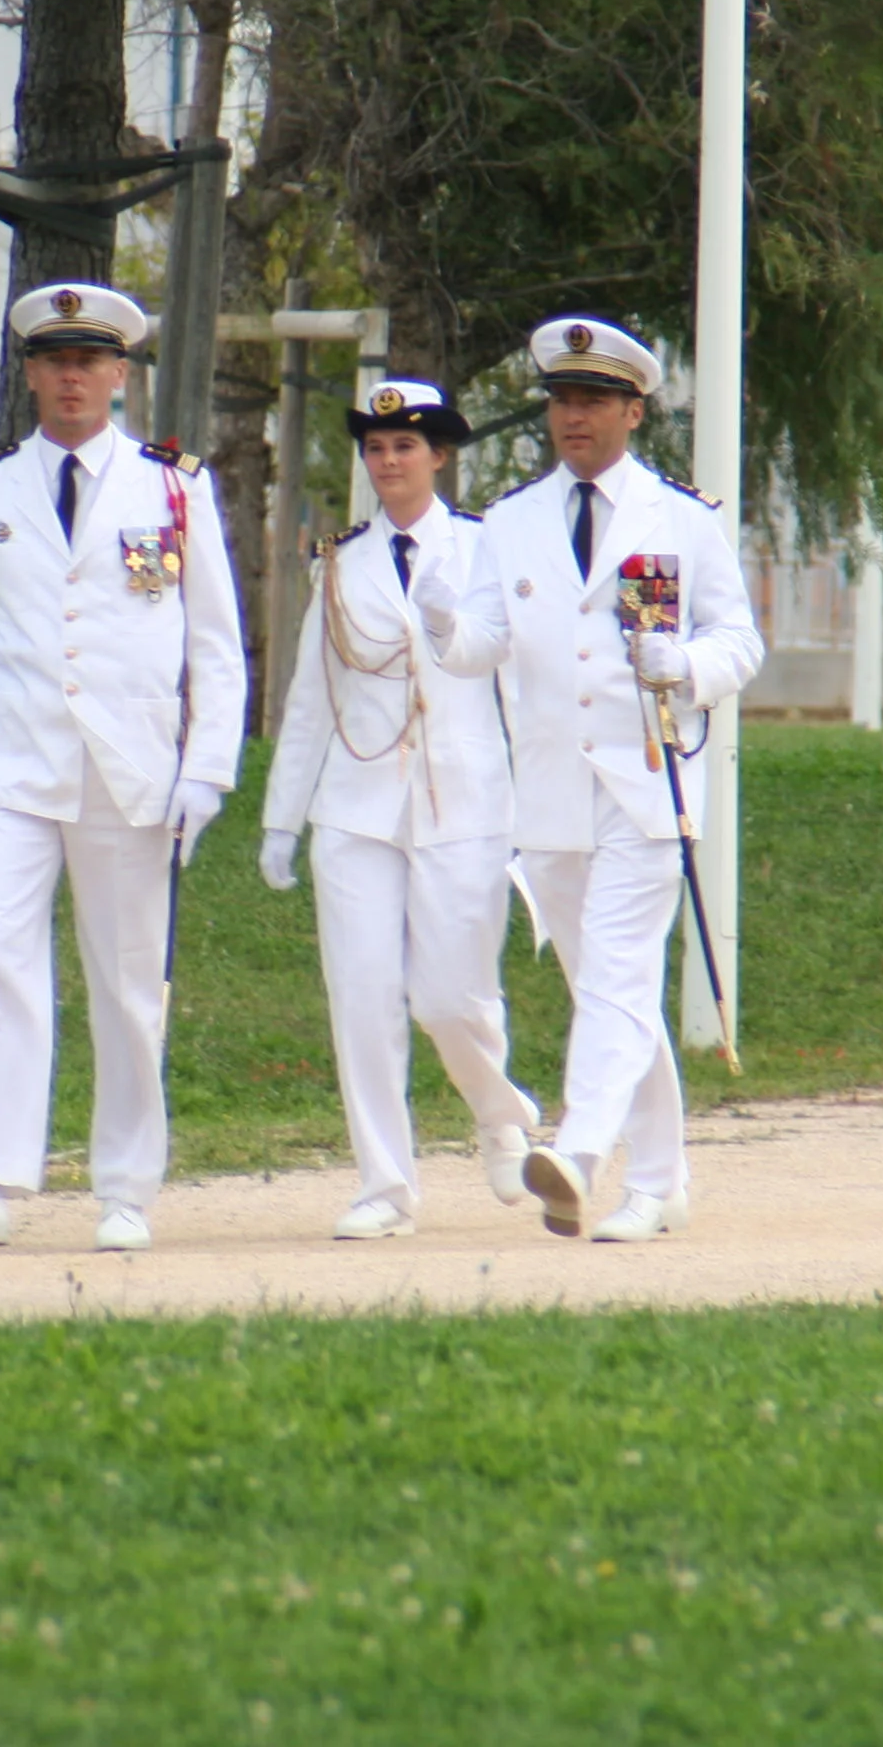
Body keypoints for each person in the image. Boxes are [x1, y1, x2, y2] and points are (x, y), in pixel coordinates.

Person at [0, 282, 245, 1253]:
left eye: (89, 361)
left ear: (119, 373)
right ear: (30, 375)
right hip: (17, 764)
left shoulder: (173, 486)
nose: (70, 379)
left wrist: (206, 768)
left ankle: (126, 1186)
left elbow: (216, 643)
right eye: (54, 362)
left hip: (133, 770)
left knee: (130, 984)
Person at [414, 317, 762, 1243]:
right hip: (552, 791)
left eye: (594, 400)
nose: (574, 416)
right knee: (610, 992)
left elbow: (741, 642)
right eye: (563, 399)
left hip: (649, 782)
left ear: (633, 411)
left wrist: (683, 663)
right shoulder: (516, 520)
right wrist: (444, 623)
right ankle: (662, 1181)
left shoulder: (682, 518)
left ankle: (581, 1154)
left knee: (614, 976)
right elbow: (484, 646)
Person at [256, 378, 544, 1240]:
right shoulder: (340, 558)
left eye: (405, 447)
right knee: (363, 996)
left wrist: (534, 813)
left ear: (439, 455)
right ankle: (384, 1185)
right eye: (376, 449)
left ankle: (500, 1114)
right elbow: (312, 695)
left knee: (453, 998)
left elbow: (518, 685)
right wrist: (282, 815)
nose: (388, 462)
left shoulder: (486, 547)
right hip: (356, 807)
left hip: (465, 798)